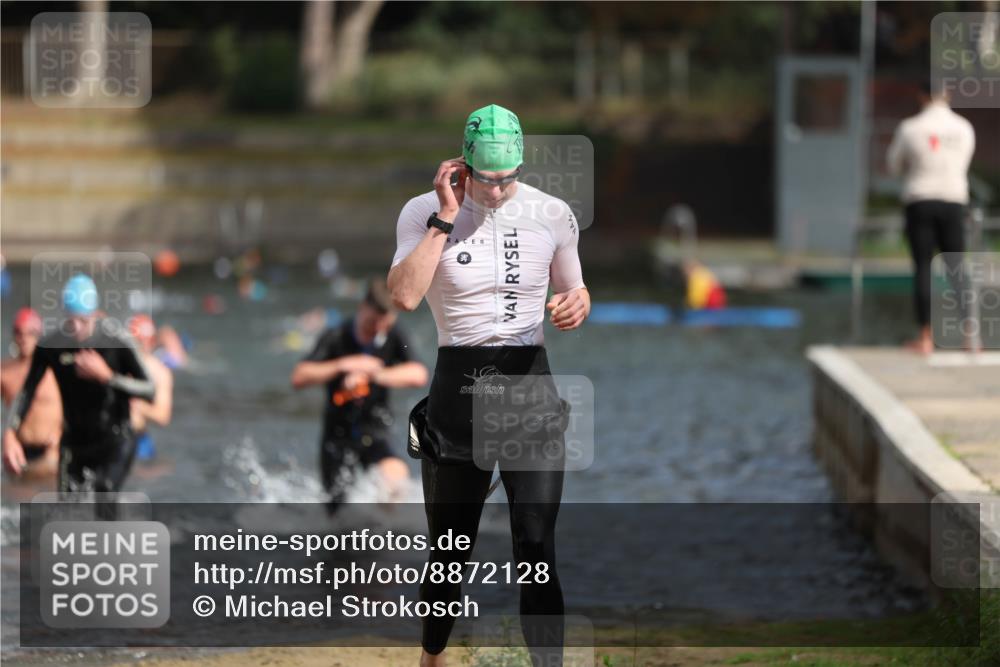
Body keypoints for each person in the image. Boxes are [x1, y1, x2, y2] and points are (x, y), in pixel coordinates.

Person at [387, 104, 589, 667]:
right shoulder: (422, 213)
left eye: (508, 178)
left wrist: (577, 304)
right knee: (450, 555)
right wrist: (446, 217)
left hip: (531, 392)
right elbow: (403, 295)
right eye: (486, 178)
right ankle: (432, 658)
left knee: (536, 546)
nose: (497, 190)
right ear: (462, 165)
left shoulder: (552, 213)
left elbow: (575, 288)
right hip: (459, 395)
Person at [2, 274, 155, 493]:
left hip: (115, 440)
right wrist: (9, 434)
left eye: (83, 321)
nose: (77, 328)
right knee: (68, 511)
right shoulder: (51, 346)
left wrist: (107, 377)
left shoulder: (117, 341)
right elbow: (27, 391)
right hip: (74, 443)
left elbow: (150, 390)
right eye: (71, 320)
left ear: (95, 314)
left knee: (103, 491)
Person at [290, 279, 428, 506]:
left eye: (384, 325)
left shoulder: (393, 335)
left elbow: (419, 374)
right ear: (363, 307)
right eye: (372, 324)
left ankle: (386, 536)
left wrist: (374, 374)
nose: (377, 331)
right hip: (337, 435)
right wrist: (344, 364)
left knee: (395, 480)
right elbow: (299, 376)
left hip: (375, 429)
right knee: (337, 512)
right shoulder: (336, 335)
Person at [887, 81, 976, 355]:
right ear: (947, 93)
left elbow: (893, 165)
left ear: (921, 95)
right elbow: (965, 163)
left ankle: (926, 337)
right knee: (957, 267)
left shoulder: (910, 127)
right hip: (953, 201)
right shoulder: (964, 128)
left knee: (923, 267)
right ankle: (970, 336)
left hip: (920, 200)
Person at [1, 308, 61, 478]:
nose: (25, 338)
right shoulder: (5, 373)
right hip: (19, 452)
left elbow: (76, 406)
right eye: (20, 333)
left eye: (31, 333)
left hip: (51, 453)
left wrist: (62, 436)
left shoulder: (55, 370)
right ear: (13, 335)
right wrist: (7, 437)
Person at [128, 315, 174, 461]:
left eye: (144, 342)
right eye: (136, 342)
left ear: (152, 342)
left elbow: (163, 416)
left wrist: (138, 406)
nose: (141, 347)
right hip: (111, 435)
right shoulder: (116, 362)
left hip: (139, 439)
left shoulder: (160, 373)